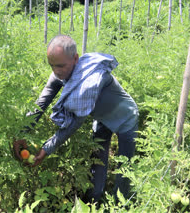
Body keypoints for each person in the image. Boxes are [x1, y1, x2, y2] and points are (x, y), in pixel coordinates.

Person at [13, 35, 139, 203]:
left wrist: (46, 150)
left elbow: (73, 124)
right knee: (97, 159)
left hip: (125, 117)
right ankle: (94, 199)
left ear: (76, 59)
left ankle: (121, 204)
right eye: (52, 65)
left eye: (60, 66)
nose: (56, 71)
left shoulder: (91, 80)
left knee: (125, 168)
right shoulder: (59, 74)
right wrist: (23, 132)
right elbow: (41, 103)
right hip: (101, 117)